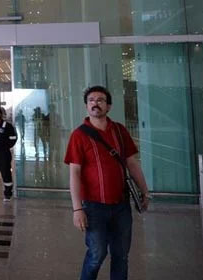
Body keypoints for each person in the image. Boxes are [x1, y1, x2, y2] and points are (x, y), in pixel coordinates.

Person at [64, 86, 150, 280]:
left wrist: (145, 191)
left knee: (121, 256)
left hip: (121, 206)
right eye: (91, 100)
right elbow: (74, 174)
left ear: (108, 106)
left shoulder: (119, 131)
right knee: (97, 254)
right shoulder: (79, 136)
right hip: (94, 207)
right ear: (86, 106)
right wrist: (77, 209)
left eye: (101, 100)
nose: (96, 103)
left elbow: (131, 163)